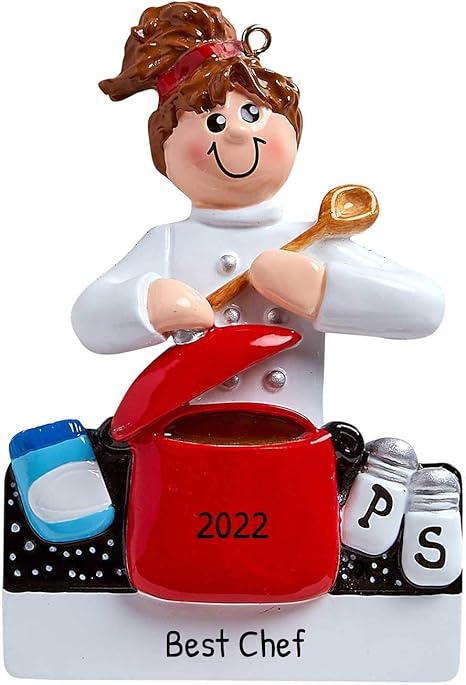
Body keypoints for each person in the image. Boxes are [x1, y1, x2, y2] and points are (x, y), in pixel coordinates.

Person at [72, 1, 444, 425]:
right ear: (165, 151)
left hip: (293, 433)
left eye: (253, 112)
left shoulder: (317, 240)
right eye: (213, 122)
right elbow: (89, 320)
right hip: (194, 435)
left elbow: (425, 308)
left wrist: (323, 290)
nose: (236, 130)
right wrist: (148, 302)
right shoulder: (169, 243)